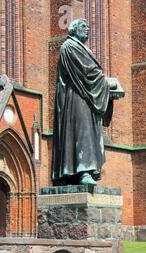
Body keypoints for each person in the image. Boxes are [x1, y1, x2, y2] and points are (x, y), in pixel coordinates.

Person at [52, 19, 113, 185]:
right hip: (76, 98)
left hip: (85, 97)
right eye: (83, 27)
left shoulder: (80, 48)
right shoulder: (70, 47)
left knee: (87, 132)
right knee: (81, 131)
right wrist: (106, 83)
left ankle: (81, 172)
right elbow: (87, 73)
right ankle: (82, 171)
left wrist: (104, 87)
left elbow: (91, 74)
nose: (88, 30)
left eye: (88, 27)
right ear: (74, 29)